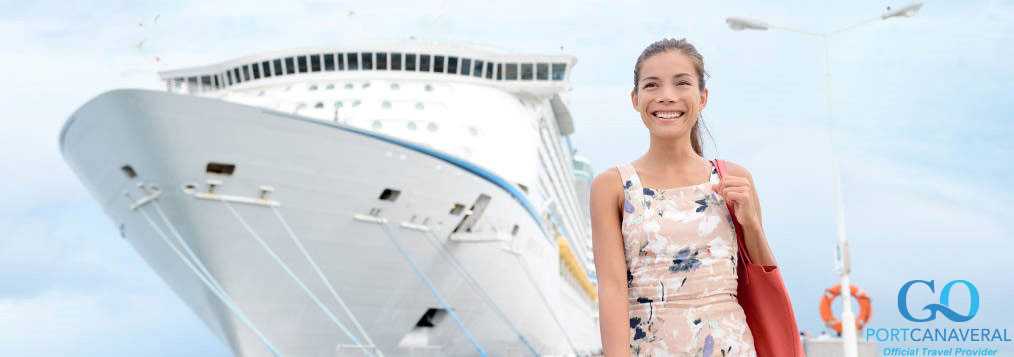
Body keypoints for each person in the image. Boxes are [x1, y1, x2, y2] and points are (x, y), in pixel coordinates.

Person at [589, 38, 780, 356]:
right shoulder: (612, 186)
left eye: (682, 83)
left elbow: (764, 282)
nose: (667, 96)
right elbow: (611, 290)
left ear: (702, 97)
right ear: (635, 99)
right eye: (652, 85)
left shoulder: (734, 178)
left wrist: (752, 226)